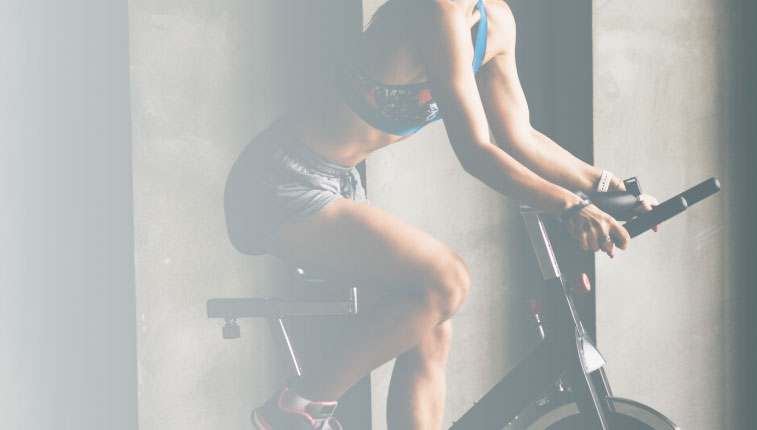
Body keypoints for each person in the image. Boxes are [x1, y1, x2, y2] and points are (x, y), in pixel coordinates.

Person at [224, 1, 654, 428]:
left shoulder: (497, 21)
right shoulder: (435, 10)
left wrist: (604, 187)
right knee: (446, 280)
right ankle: (296, 409)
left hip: (341, 182)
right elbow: (475, 150)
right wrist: (569, 204)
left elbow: (519, 136)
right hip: (280, 178)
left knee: (430, 331)